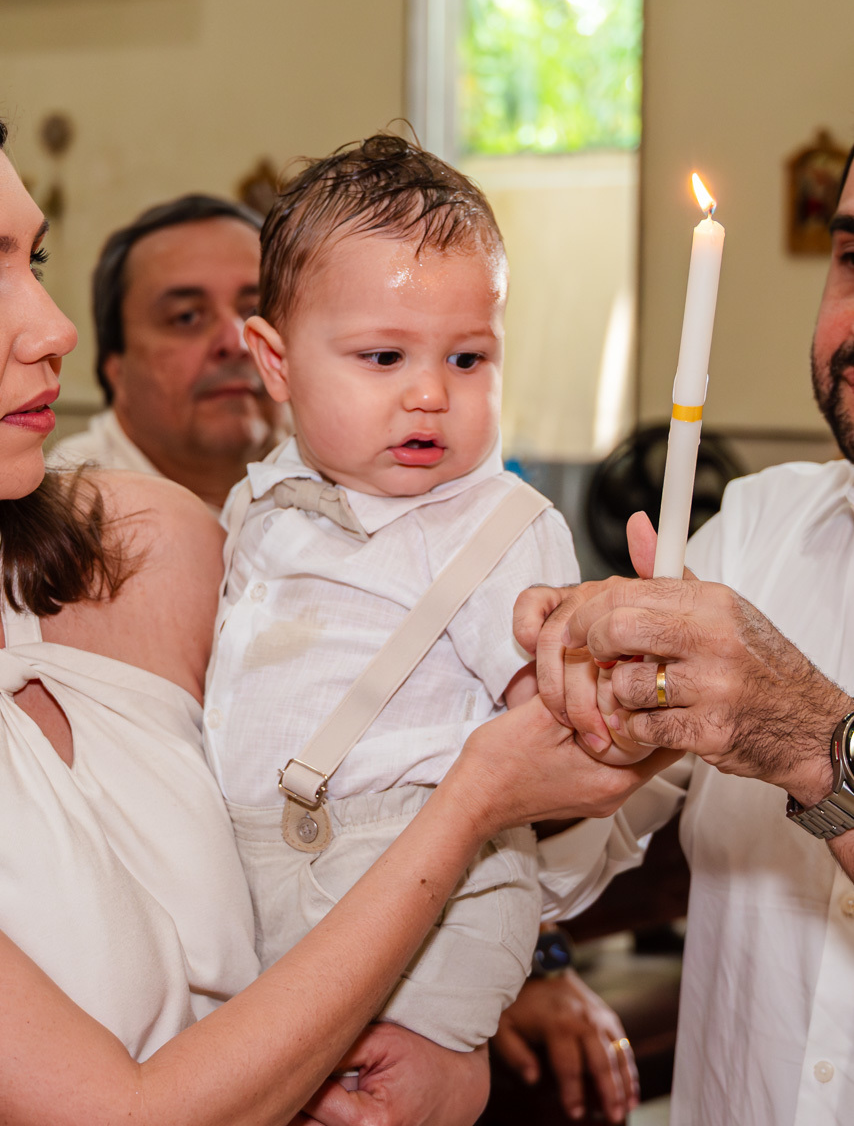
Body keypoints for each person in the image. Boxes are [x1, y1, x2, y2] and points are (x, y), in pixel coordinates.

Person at [0, 118, 670, 1123]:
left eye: (35, 258)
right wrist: (473, 799)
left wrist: (459, 1049)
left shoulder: (153, 547)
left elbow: (409, 724)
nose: (50, 325)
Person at [204, 134, 582, 1055]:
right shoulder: (258, 508)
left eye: (467, 360)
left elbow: (556, 740)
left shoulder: (497, 529)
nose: (429, 395)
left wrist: (594, 672)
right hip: (252, 875)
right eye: (384, 357)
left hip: (427, 902)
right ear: (276, 360)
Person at [514, 143, 854, 1124]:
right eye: (850, 257)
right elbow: (577, 848)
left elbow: (794, 735)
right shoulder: (752, 529)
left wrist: (806, 741)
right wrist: (572, 716)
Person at [50, 194, 286, 510]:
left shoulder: (353, 462)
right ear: (115, 370)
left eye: (256, 310)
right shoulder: (65, 519)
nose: (237, 342)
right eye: (187, 317)